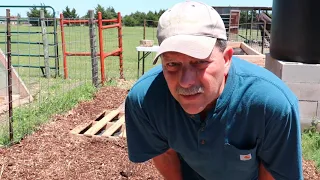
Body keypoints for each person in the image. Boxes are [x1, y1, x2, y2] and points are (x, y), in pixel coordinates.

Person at [124, 1, 303, 180]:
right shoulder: (146, 100)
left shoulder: (271, 105)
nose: (186, 82)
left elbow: (272, 173)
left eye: (200, 61)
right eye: (172, 64)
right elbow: (165, 153)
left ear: (226, 59)